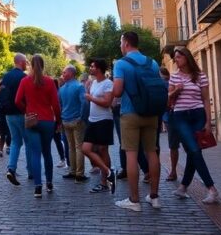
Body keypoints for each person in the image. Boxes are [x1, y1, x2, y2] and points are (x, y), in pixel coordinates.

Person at [112, 32, 162, 212]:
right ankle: (154, 197)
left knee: (131, 155)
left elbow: (117, 92)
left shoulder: (121, 63)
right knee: (152, 152)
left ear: (125, 43)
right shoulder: (153, 62)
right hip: (151, 113)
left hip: (130, 113)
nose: (120, 45)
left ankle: (134, 200)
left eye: (120, 42)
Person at [169, 47, 219, 204]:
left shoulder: (200, 76)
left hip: (198, 115)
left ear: (186, 58)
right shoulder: (174, 77)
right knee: (194, 150)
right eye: (175, 58)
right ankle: (212, 189)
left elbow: (205, 99)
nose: (176, 60)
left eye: (178, 57)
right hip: (180, 116)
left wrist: (208, 122)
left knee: (193, 152)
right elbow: (168, 99)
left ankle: (183, 187)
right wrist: (175, 91)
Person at [15, 54, 61, 198]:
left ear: (30, 66)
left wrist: (26, 110)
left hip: (32, 120)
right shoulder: (49, 82)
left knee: (35, 153)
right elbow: (56, 104)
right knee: (47, 152)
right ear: (43, 65)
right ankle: (49, 183)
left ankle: (37, 187)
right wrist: (58, 120)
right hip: (47, 120)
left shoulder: (25, 81)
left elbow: (17, 101)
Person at [82, 59, 116, 194]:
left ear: (99, 69)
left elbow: (108, 102)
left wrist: (91, 98)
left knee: (103, 149)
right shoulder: (94, 82)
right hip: (92, 120)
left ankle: (104, 182)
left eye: (92, 66)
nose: (90, 68)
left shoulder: (108, 83)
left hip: (104, 120)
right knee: (85, 149)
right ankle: (108, 172)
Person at [1, 53, 30, 186]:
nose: (27, 64)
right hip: (21, 113)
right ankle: (31, 170)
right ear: (21, 62)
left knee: (15, 142)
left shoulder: (6, 77)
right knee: (28, 142)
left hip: (8, 114)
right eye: (26, 62)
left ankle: (11, 168)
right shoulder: (24, 77)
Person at [58, 65, 86, 183]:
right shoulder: (80, 87)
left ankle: (72, 171)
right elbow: (84, 103)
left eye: (64, 73)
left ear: (70, 74)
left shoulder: (62, 89)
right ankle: (79, 174)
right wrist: (82, 116)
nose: (63, 75)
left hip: (66, 120)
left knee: (70, 147)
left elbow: (59, 105)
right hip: (76, 120)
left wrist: (61, 118)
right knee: (79, 147)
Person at [160, 67, 180, 181]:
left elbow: (165, 100)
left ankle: (173, 171)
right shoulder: (171, 81)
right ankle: (173, 171)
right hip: (171, 115)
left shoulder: (164, 83)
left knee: (173, 146)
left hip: (171, 116)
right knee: (175, 146)